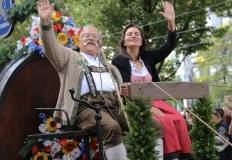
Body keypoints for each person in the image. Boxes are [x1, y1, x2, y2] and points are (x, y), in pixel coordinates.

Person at [36, 0, 130, 159]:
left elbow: (124, 93)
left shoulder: (111, 67)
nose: (91, 39)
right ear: (78, 41)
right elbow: (50, 49)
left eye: (95, 37)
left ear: (100, 43)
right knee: (111, 128)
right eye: (86, 36)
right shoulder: (70, 57)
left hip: (115, 104)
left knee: (147, 125)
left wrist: (126, 91)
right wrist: (45, 23)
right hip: (87, 106)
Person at [112, 1, 194, 160]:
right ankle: (170, 156)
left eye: (137, 34)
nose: (133, 35)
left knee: (178, 118)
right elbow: (125, 91)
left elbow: (169, 45)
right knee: (164, 122)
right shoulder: (119, 62)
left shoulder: (148, 58)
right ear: (124, 42)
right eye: (129, 34)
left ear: (141, 41)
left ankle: (185, 156)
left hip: (158, 102)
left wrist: (171, 22)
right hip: (136, 105)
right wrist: (147, 109)